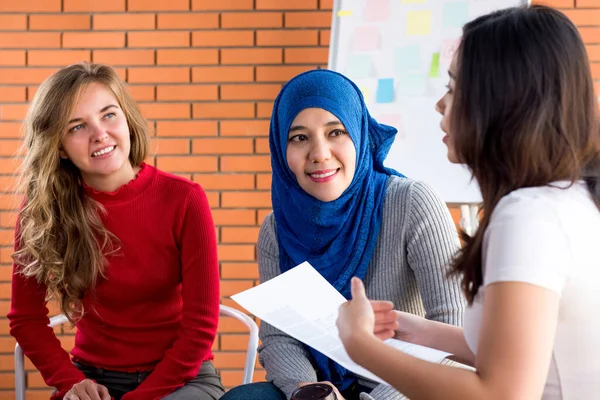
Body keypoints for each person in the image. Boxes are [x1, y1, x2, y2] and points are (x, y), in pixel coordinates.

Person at [336, 5, 600, 399]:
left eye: (453, 87)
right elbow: (520, 352)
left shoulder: (529, 217)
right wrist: (418, 330)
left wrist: (362, 348)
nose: (441, 105)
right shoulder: (566, 198)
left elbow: (499, 393)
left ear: (500, 101)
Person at [222, 69, 465, 400]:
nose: (319, 153)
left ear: (359, 134)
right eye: (299, 137)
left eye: (335, 132)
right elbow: (280, 338)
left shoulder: (411, 203)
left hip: (408, 386)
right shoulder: (277, 230)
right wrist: (308, 390)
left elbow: (453, 325)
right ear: (281, 151)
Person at [7, 63, 224, 400]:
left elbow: (200, 326)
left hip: (183, 381)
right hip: (93, 382)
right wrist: (70, 381)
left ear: (127, 119)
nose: (100, 134)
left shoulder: (185, 199)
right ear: (59, 147)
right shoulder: (43, 211)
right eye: (77, 126)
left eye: (108, 115)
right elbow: (26, 318)